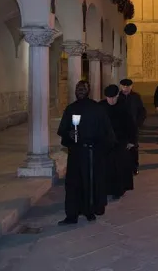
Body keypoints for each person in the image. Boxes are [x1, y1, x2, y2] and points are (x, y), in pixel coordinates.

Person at [56, 81, 116, 225]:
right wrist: (70, 134)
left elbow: (107, 133)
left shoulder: (97, 109)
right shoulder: (72, 109)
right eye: (79, 88)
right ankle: (73, 214)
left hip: (90, 153)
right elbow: (63, 130)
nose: (80, 91)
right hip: (79, 153)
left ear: (88, 91)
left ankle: (89, 211)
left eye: (83, 88)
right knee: (74, 184)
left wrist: (100, 151)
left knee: (89, 182)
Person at [100, 84, 137, 200]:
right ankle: (107, 189)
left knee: (120, 166)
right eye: (108, 98)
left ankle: (119, 190)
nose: (111, 100)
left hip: (121, 140)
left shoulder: (123, 106)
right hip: (105, 142)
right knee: (107, 166)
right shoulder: (101, 107)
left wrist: (132, 141)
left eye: (113, 98)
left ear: (117, 96)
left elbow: (131, 124)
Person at [118, 78, 146, 176]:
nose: (125, 89)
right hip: (121, 127)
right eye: (123, 87)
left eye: (127, 87)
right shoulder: (118, 97)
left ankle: (134, 166)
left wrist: (138, 123)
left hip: (133, 126)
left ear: (131, 87)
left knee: (134, 147)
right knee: (122, 147)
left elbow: (142, 111)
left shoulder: (135, 97)